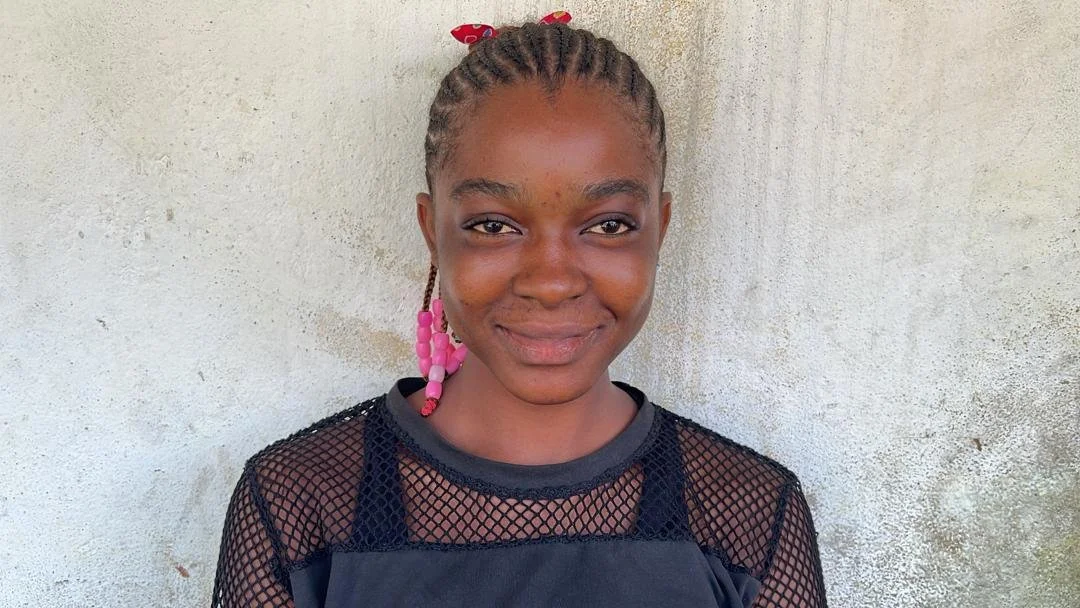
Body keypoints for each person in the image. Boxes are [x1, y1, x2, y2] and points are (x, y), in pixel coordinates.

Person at [212, 13, 827, 608]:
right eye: (493, 225)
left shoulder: (748, 515)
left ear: (658, 229)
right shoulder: (299, 505)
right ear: (433, 231)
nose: (552, 282)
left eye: (610, 224)